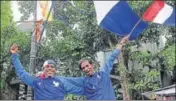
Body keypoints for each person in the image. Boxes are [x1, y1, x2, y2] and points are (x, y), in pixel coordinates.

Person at [10, 44, 84, 100]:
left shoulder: (62, 81)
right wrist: (14, 55)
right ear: (43, 69)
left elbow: (79, 84)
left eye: (52, 67)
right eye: (47, 67)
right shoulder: (36, 80)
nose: (50, 68)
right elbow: (22, 73)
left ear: (55, 70)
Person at [66, 35, 129, 100]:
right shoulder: (84, 82)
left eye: (87, 66)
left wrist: (121, 43)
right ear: (82, 70)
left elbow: (112, 57)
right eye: (83, 68)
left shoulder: (103, 73)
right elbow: (68, 82)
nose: (86, 69)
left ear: (92, 65)